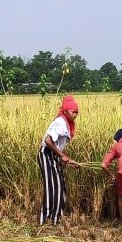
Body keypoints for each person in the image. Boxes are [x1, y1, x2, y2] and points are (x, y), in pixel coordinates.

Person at [39, 95, 80, 225]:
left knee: (60, 186)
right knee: (53, 187)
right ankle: (46, 219)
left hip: (53, 155)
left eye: (77, 113)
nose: (75, 115)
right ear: (66, 111)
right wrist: (61, 155)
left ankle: (56, 218)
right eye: (73, 112)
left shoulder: (66, 123)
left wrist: (68, 160)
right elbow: (48, 140)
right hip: (46, 154)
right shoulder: (61, 122)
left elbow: (58, 147)